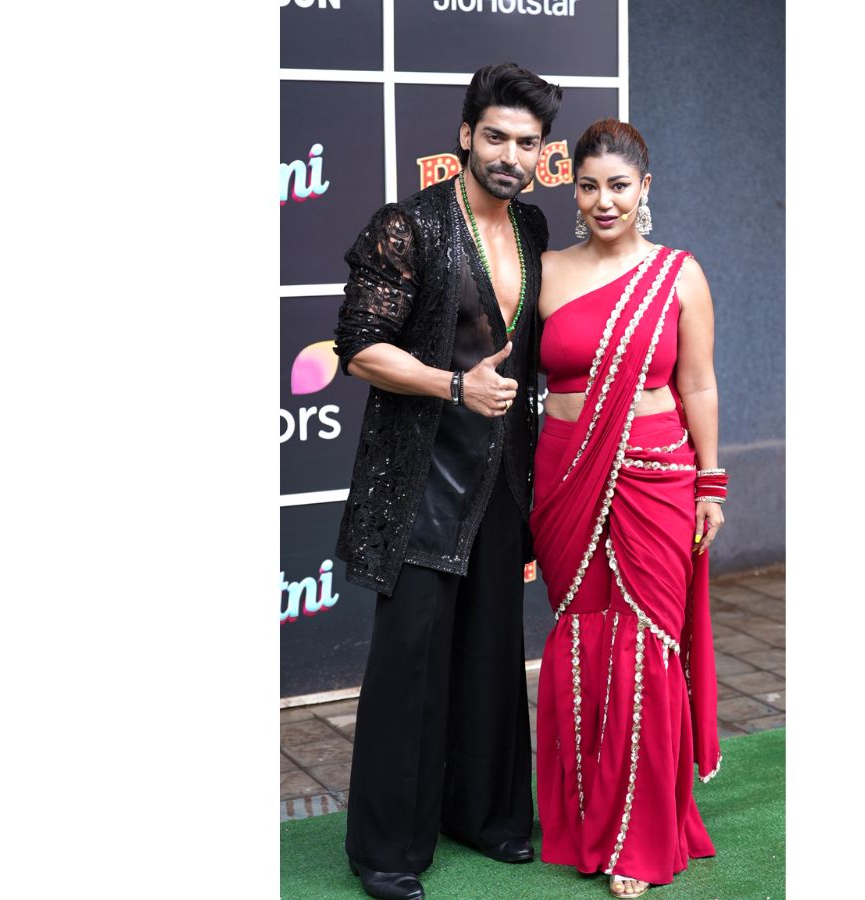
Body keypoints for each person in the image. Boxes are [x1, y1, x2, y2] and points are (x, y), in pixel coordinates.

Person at [333, 63, 563, 900]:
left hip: (501, 478)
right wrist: (455, 385)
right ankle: (387, 851)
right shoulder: (410, 225)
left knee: (492, 654)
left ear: (542, 153)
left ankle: (486, 816)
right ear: (466, 136)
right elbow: (360, 346)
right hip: (419, 478)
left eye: (527, 143)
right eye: (495, 136)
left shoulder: (533, 225)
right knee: (411, 664)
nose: (510, 155)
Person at [531, 119, 725, 898]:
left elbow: (697, 383)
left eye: (618, 185)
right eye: (588, 186)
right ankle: (586, 818)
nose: (603, 201)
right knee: (582, 635)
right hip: (564, 478)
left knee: (645, 642)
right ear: (573, 191)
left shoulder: (679, 275)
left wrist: (711, 482)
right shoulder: (546, 272)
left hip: (657, 477)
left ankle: (638, 841)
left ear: (645, 187)